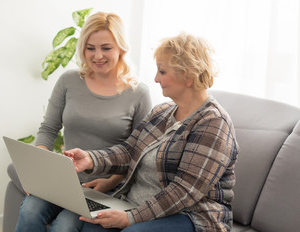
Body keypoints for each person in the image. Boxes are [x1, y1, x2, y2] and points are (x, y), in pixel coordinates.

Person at [65, 31, 239, 232]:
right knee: (89, 228)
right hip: (141, 206)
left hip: (193, 216)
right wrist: (90, 159)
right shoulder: (162, 112)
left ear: (188, 76)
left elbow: (184, 191)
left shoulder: (213, 123)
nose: (156, 79)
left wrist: (130, 218)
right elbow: (130, 151)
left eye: (162, 72)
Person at [15, 12, 152, 232]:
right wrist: (39, 172)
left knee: (64, 227)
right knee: (29, 211)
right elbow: (49, 129)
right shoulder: (69, 81)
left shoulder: (138, 93)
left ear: (121, 48)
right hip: (63, 180)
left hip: (104, 187)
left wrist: (111, 181)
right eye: (91, 48)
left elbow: (140, 153)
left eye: (106, 48)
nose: (97, 56)